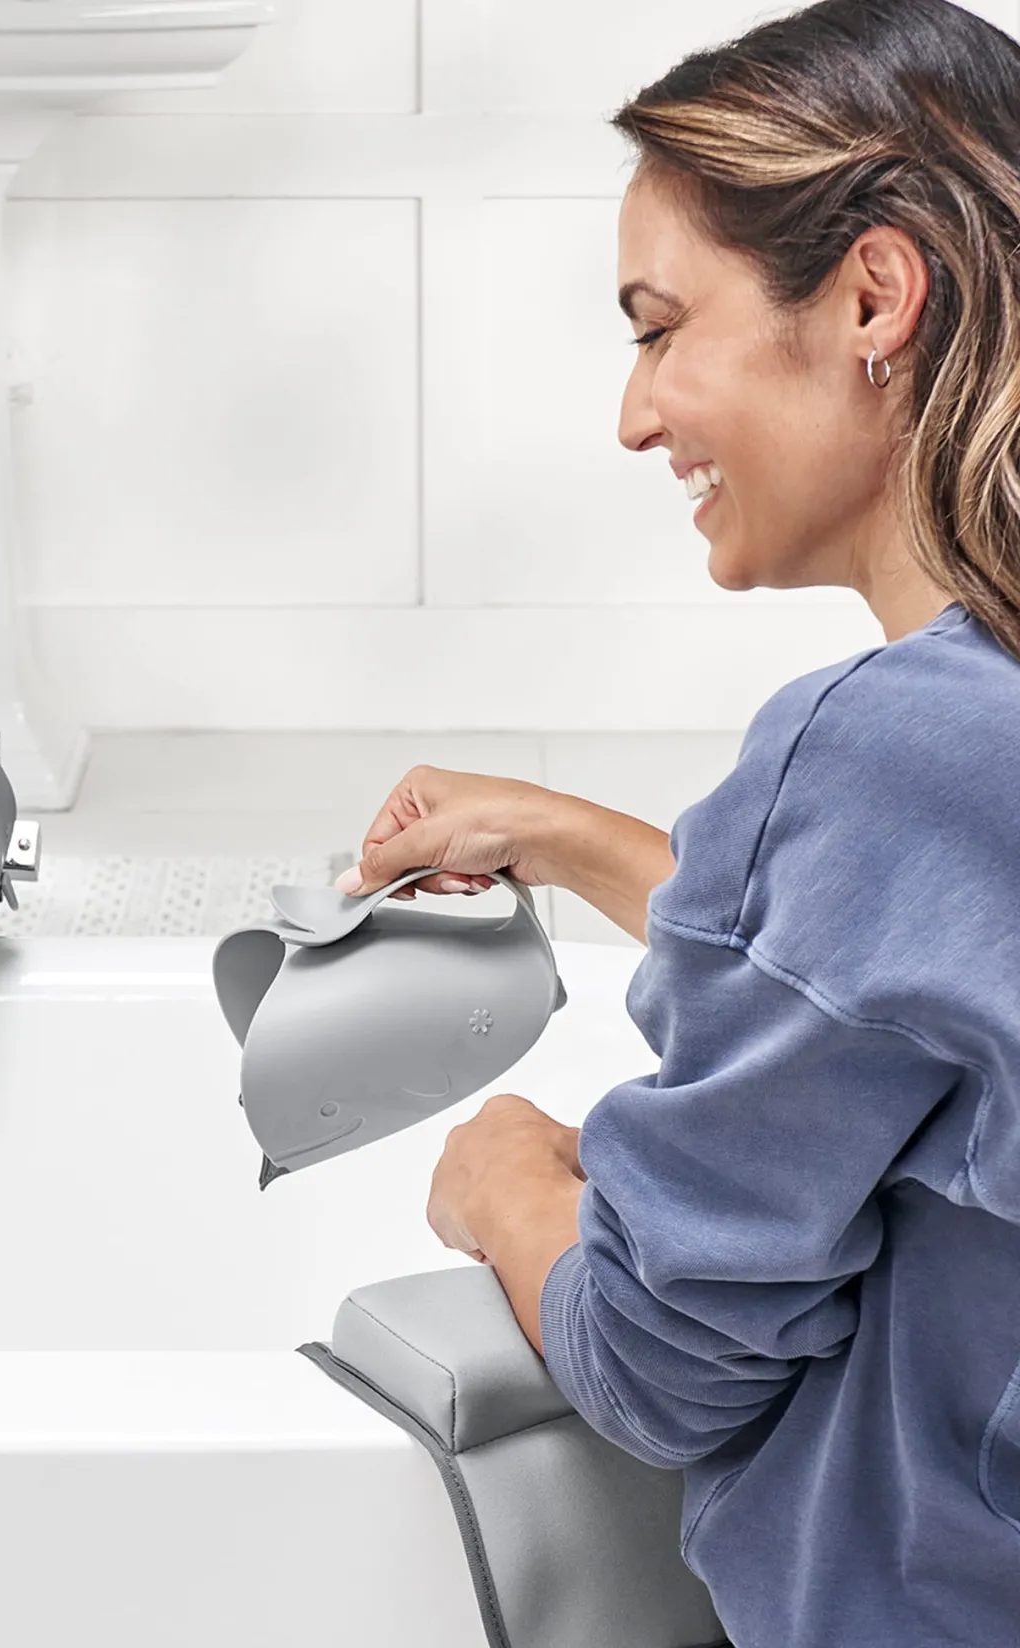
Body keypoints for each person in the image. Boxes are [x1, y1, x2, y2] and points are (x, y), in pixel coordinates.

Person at [335, 2, 1020, 1641]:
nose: (635, 418)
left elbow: (656, 1366)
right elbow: (925, 993)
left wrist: (502, 1178)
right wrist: (571, 838)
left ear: (873, 296)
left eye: (659, 329)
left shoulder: (884, 751)